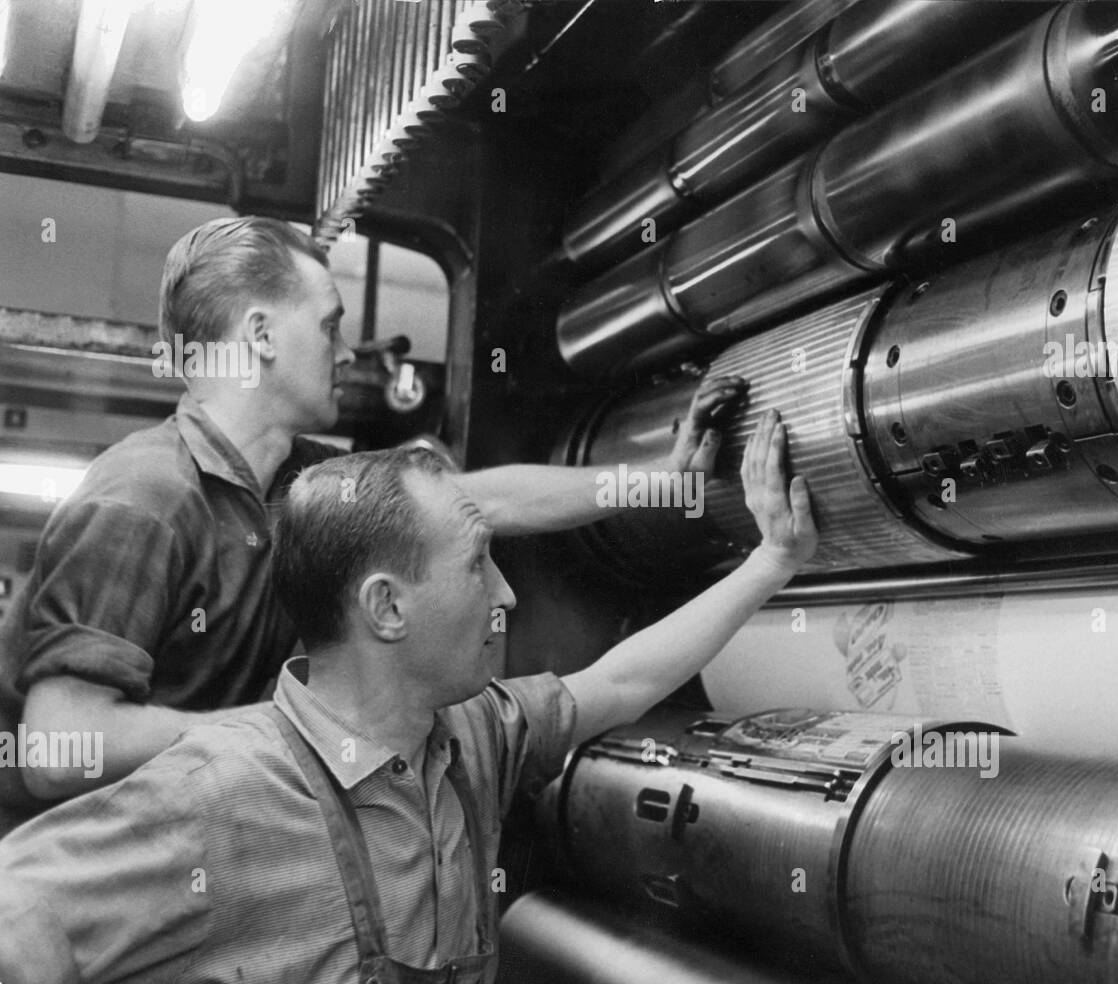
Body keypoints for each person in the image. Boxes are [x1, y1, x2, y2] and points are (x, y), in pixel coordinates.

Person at [0, 410, 816, 984]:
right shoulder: (215, 793)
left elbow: (620, 681)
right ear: (387, 608)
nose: (507, 594)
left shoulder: (471, 737)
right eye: (477, 564)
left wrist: (772, 561)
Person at [0, 216, 745, 827]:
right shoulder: (142, 499)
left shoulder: (302, 480)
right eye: (327, 324)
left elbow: (476, 501)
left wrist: (654, 482)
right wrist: (278, 735)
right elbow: (58, 746)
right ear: (260, 335)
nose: (345, 348)